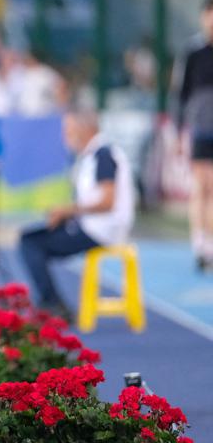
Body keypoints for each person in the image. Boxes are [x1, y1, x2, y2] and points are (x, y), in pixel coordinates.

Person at [19, 107, 136, 319]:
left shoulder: (103, 155)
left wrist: (68, 211)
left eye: (69, 130)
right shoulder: (94, 156)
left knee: (30, 243)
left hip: (100, 231)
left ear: (85, 129)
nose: (66, 136)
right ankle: (52, 302)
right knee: (33, 236)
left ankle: (53, 305)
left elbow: (107, 201)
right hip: (93, 226)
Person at [177, 0, 213, 271]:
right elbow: (181, 94)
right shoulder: (193, 53)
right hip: (202, 127)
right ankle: (200, 242)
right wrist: (180, 132)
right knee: (201, 185)